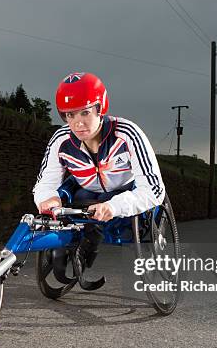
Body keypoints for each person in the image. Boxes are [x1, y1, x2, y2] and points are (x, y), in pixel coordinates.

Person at [33, 72, 166, 287]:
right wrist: (48, 199)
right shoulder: (60, 140)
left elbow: (154, 188)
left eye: (85, 112)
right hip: (85, 192)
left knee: (124, 203)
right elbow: (45, 183)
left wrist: (114, 207)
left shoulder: (128, 134)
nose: (77, 123)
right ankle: (79, 247)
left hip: (123, 192)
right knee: (68, 198)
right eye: (69, 115)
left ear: (100, 108)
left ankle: (93, 241)